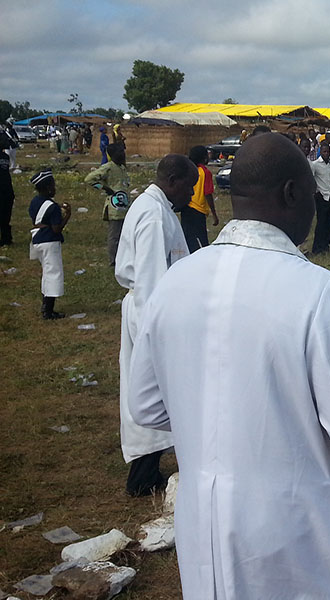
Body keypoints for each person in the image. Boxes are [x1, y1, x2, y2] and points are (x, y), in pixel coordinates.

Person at [128, 133, 330, 599]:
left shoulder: (175, 282)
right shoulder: (317, 291)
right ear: (292, 193)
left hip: (205, 529)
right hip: (297, 536)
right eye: (310, 193)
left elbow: (146, 407)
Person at [115, 154, 197, 497]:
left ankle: (149, 468)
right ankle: (143, 476)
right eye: (189, 187)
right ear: (173, 181)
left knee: (155, 390)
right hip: (149, 313)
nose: (191, 194)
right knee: (152, 389)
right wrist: (158, 333)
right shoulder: (152, 214)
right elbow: (151, 279)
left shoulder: (158, 207)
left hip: (152, 310)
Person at [28, 170, 70, 319]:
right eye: (53, 185)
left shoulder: (34, 201)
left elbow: (35, 220)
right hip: (50, 241)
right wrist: (67, 215)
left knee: (46, 273)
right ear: (47, 188)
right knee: (53, 274)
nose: (54, 188)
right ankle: (48, 311)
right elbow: (56, 228)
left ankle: (45, 305)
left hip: (37, 239)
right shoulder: (53, 207)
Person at [85, 142, 131, 265]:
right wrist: (104, 188)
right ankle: (113, 260)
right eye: (120, 152)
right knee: (114, 235)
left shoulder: (122, 168)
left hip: (124, 205)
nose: (123, 154)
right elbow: (89, 179)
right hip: (114, 206)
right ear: (113, 154)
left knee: (123, 234)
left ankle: (122, 258)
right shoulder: (108, 167)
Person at [180, 145, 219, 252]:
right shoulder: (205, 173)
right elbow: (208, 194)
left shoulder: (188, 170)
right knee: (201, 241)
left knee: (187, 239)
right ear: (204, 158)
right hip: (198, 211)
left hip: (186, 208)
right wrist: (214, 214)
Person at [309, 142, 330, 254]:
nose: (326, 154)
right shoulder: (315, 164)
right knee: (321, 223)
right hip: (321, 196)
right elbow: (311, 178)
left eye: (328, 152)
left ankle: (326, 245)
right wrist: (316, 190)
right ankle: (317, 247)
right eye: (324, 151)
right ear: (321, 152)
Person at [0, 124, 15, 246]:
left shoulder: (5, 156)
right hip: (6, 189)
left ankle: (6, 238)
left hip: (4, 190)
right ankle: (6, 237)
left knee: (4, 215)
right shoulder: (5, 157)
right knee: (4, 215)